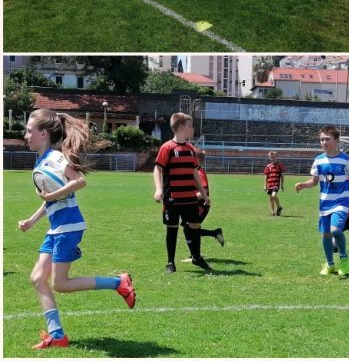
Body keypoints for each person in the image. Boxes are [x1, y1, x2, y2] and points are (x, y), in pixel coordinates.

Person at [18, 109, 135, 349]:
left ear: (42, 133)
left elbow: (79, 181)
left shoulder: (55, 158)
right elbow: (51, 200)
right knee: (38, 278)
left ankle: (118, 282)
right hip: (57, 228)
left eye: (30, 131)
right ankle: (57, 335)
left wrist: (52, 194)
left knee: (59, 284)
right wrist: (32, 220)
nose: (26, 135)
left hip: (68, 226)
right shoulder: (42, 160)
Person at [295, 126, 349, 276]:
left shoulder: (345, 159)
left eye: (327, 139)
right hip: (325, 203)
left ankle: (344, 259)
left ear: (336, 141)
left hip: (342, 201)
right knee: (326, 234)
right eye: (321, 139)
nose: (324, 142)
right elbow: (314, 181)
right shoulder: (318, 160)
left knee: (335, 230)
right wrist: (303, 185)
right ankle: (330, 264)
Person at [153, 112, 212, 273]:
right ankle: (170, 263)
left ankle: (197, 258)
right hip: (172, 199)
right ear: (181, 128)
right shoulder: (167, 147)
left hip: (190, 199)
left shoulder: (190, 149)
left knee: (195, 225)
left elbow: (195, 174)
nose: (192, 128)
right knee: (172, 228)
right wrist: (158, 189)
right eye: (190, 125)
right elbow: (158, 169)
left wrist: (204, 195)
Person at [181, 161, 225, 260]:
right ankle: (214, 234)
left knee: (189, 229)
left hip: (200, 205)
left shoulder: (199, 172)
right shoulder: (193, 171)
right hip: (193, 205)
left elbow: (203, 193)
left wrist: (185, 198)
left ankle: (195, 255)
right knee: (189, 229)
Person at [264, 151, 285, 216]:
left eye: (272, 156)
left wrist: (282, 185)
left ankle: (279, 207)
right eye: (270, 156)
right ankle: (272, 212)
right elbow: (266, 176)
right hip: (270, 184)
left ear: (276, 157)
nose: (271, 158)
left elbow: (282, 175)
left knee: (273, 195)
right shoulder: (268, 166)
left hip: (276, 184)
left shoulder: (280, 165)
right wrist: (265, 185)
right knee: (271, 198)